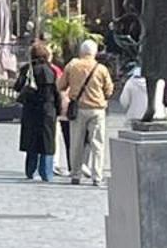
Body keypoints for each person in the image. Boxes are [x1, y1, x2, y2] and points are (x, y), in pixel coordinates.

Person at [62, 39, 114, 186]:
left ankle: (76, 175)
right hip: (97, 109)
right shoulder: (101, 68)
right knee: (97, 144)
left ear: (81, 52)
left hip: (78, 108)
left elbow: (61, 85)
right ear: (95, 53)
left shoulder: (72, 66)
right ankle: (97, 176)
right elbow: (109, 90)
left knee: (76, 143)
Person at [15, 41, 60, 182]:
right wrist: (58, 109)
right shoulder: (51, 70)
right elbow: (56, 92)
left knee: (31, 140)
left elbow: (17, 87)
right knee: (47, 142)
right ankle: (46, 172)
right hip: (47, 109)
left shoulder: (27, 69)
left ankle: (30, 170)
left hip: (30, 109)